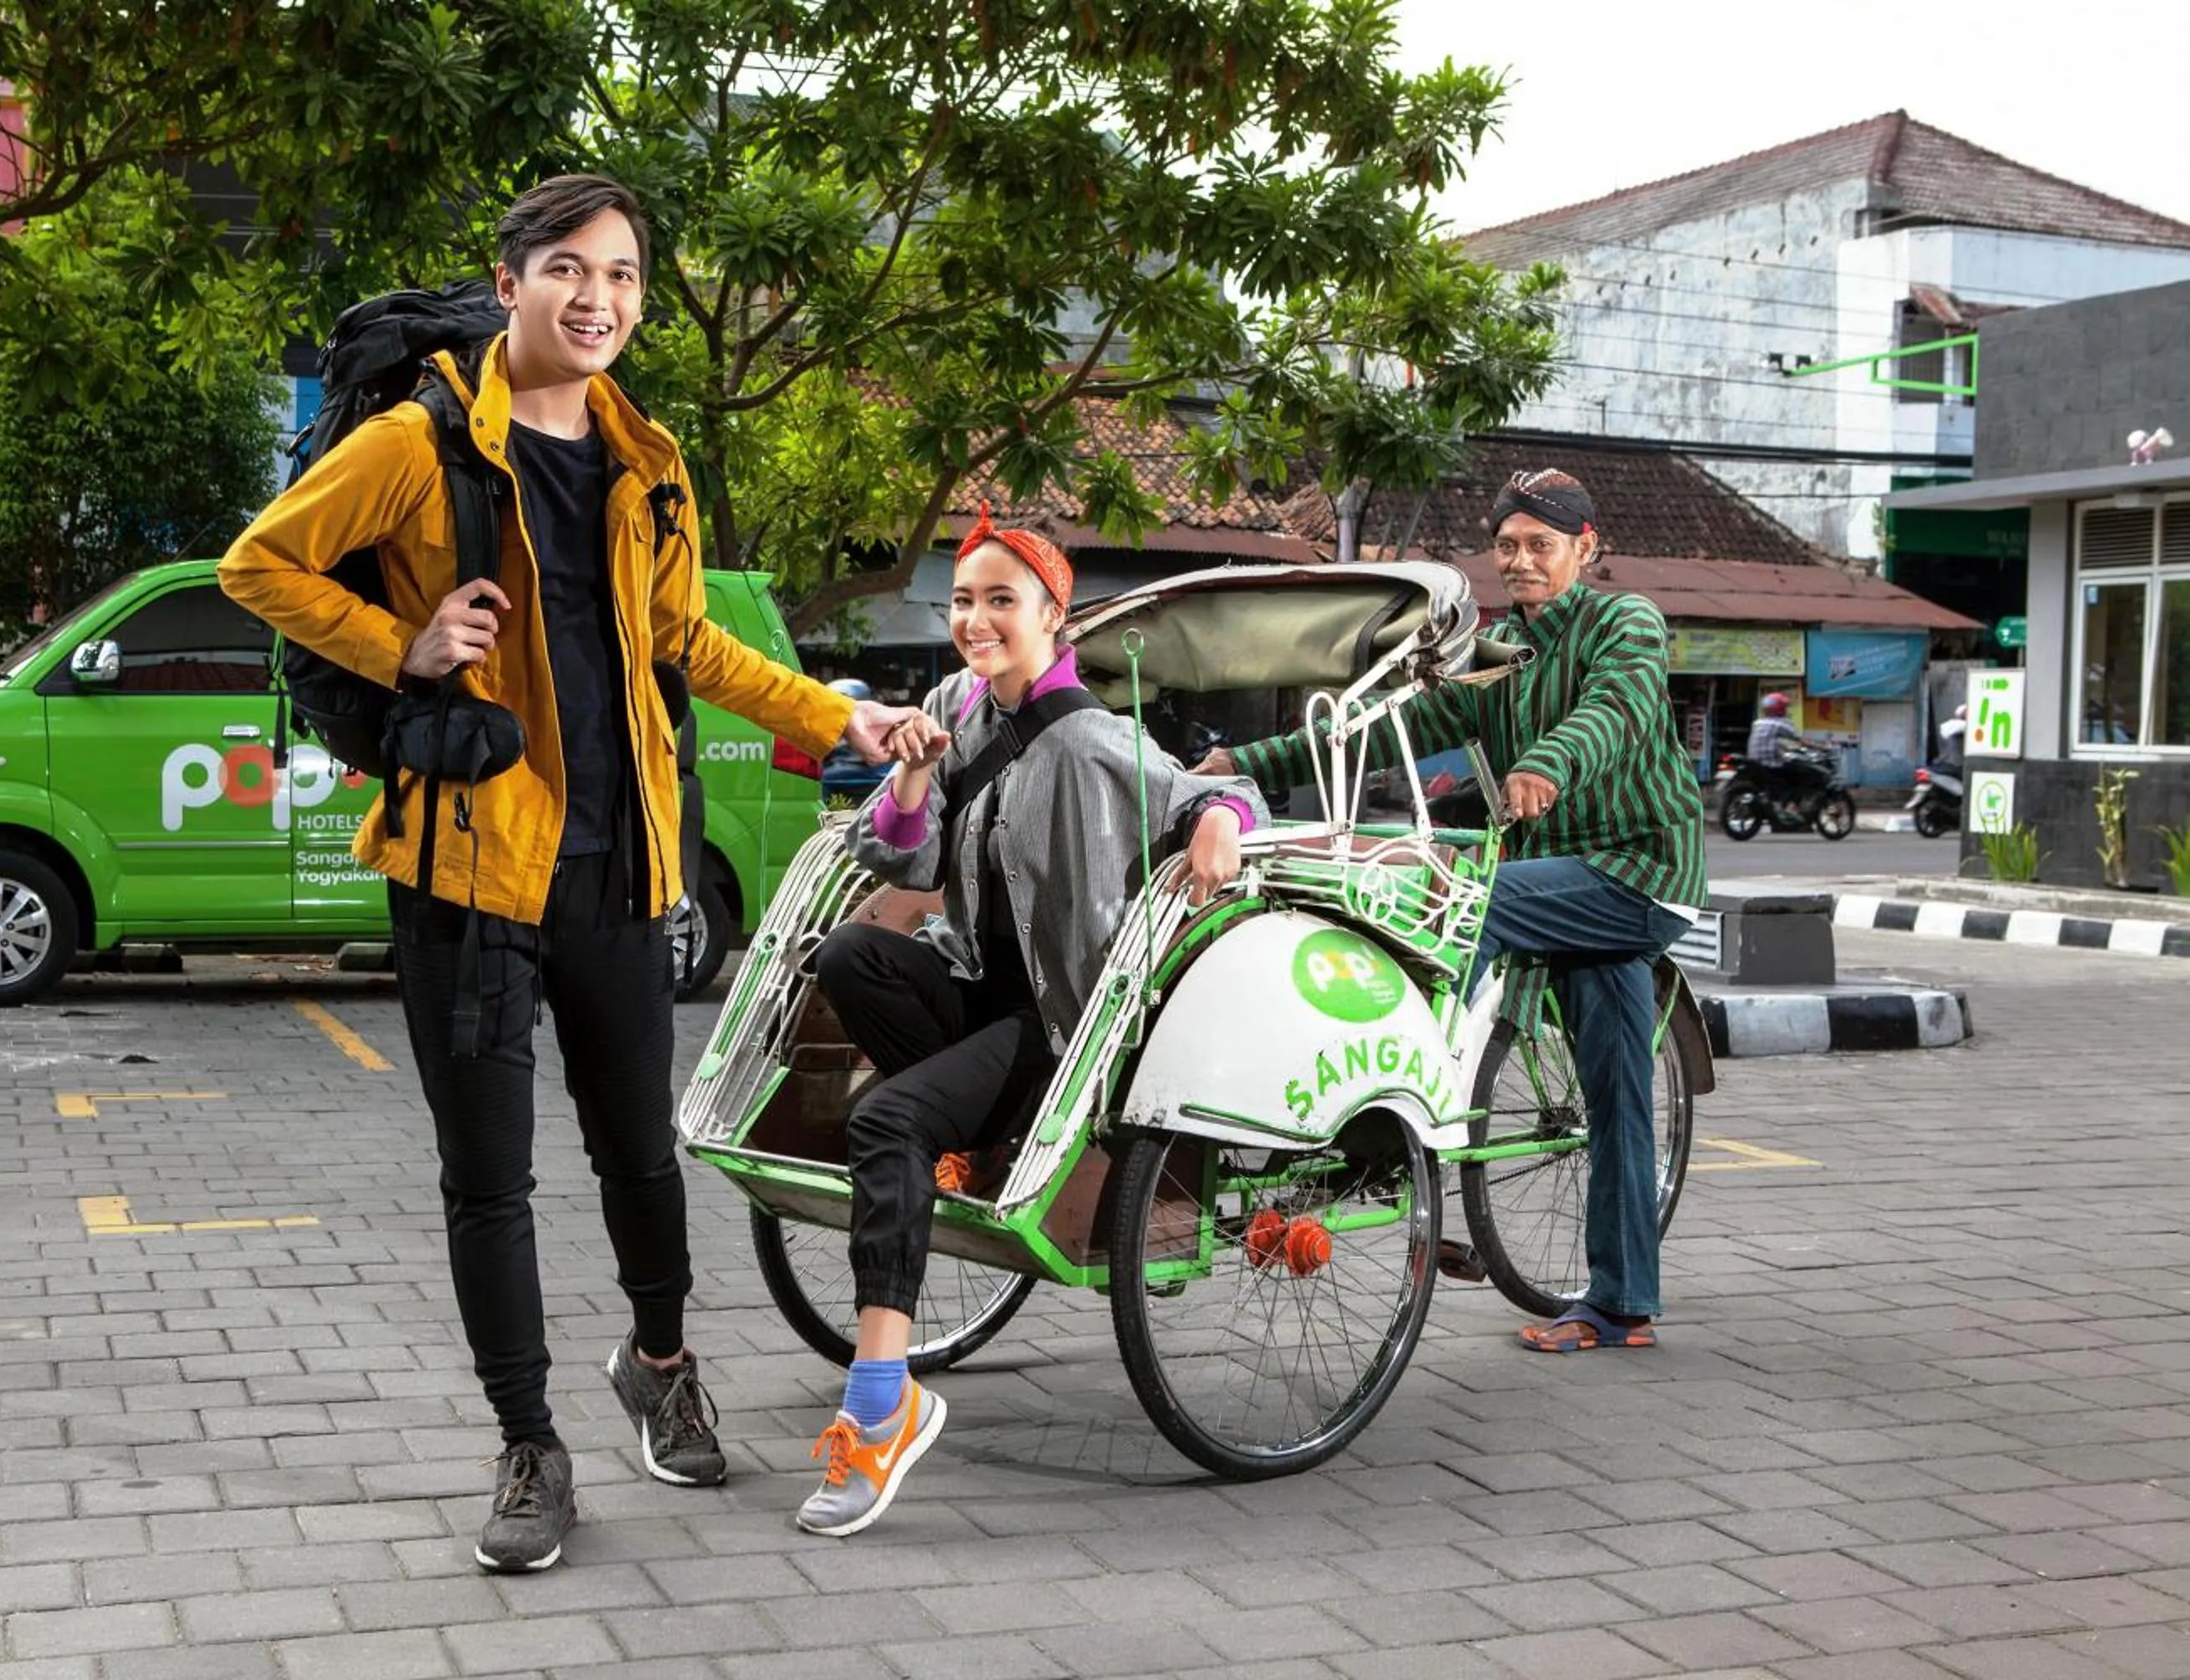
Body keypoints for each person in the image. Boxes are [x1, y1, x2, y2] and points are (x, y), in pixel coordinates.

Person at [219, 175, 918, 1574]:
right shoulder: (424, 443)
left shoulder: (646, 460)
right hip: (469, 869)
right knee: (490, 1180)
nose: (597, 298)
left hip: (619, 863)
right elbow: (261, 564)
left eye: (622, 277)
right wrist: (401, 643)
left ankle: (659, 1361)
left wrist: (840, 715)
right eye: (567, 269)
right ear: (510, 281)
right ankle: (528, 1446)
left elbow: (687, 648)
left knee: (639, 1153)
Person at [799, 511, 1266, 1536]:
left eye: (1002, 600)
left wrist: (1221, 820)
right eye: (963, 599)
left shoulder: (1097, 739)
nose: (975, 618)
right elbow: (900, 863)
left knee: (888, 1125)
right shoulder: (954, 712)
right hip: (973, 990)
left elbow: (1215, 801)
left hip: (1059, 1028)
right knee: (845, 954)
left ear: (1056, 616)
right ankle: (952, 1120)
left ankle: (882, 1404)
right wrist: (916, 771)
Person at [1202, 469, 1703, 1353]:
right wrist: (1238, 762)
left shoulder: (1627, 623)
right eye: (1507, 545)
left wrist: (1547, 762)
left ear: (1586, 548)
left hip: (1637, 871)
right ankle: (1623, 1304)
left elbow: (1614, 709)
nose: (1520, 560)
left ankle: (1404, 1113)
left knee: (1465, 898)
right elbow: (1373, 720)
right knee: (1617, 1096)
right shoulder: (1496, 654)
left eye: (1539, 545)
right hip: (1562, 880)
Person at [1746, 691, 1816, 811]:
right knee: (1804, 775)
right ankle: (1791, 807)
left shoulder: (1757, 723)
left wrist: (1784, 748)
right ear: (1780, 709)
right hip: (1771, 764)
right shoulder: (1781, 724)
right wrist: (1820, 747)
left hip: (1754, 763)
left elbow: (1768, 741)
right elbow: (1800, 740)